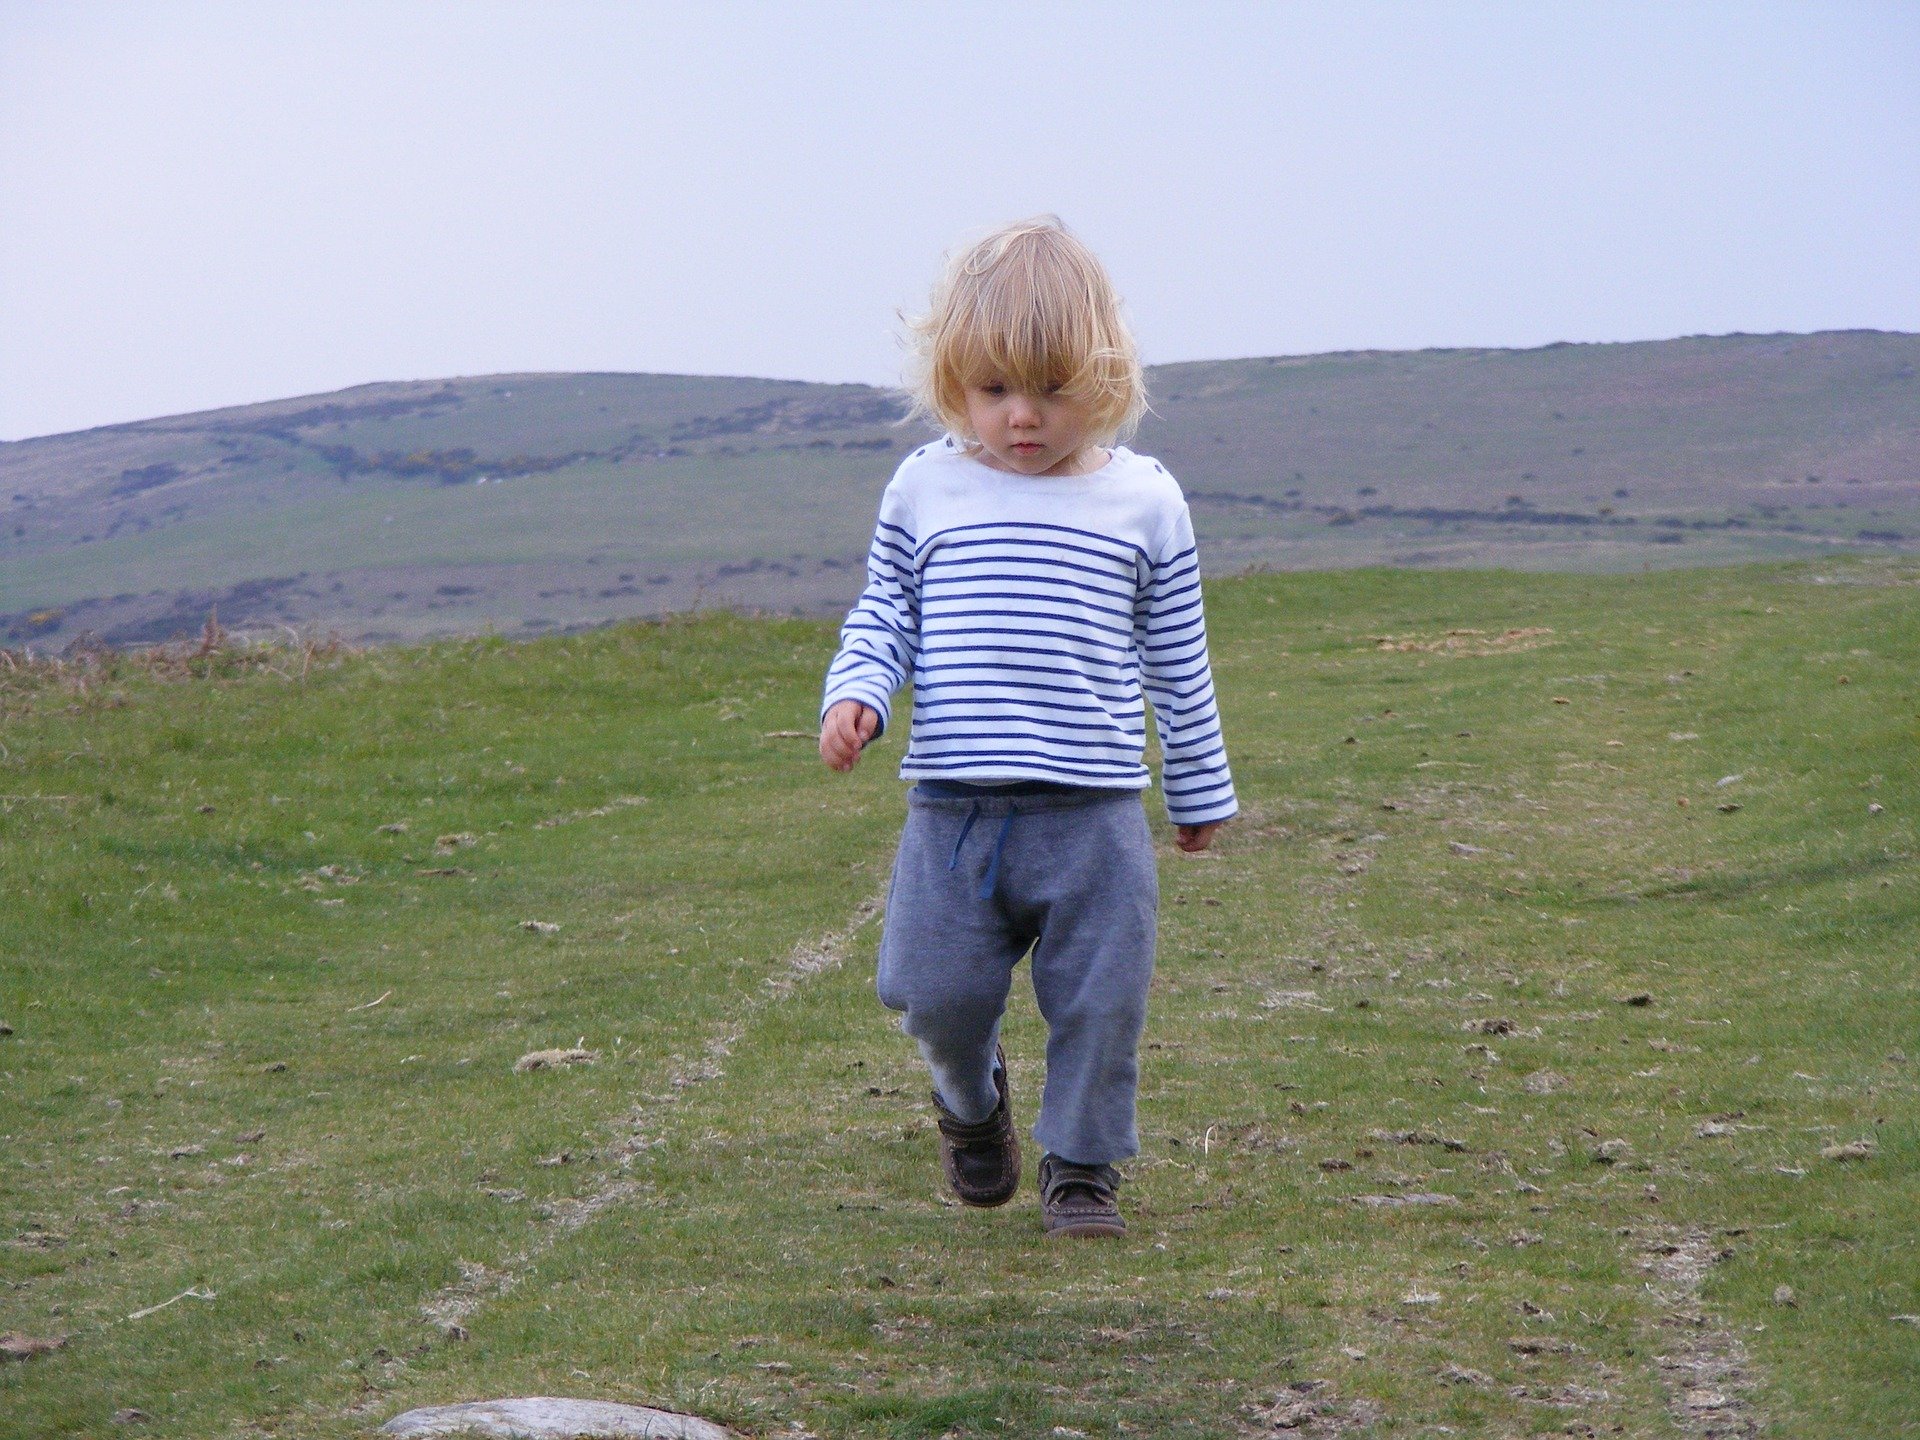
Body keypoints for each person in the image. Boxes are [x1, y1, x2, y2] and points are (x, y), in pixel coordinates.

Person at [818, 216, 1236, 1238]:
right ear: (952, 380)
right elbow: (887, 611)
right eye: (996, 390)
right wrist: (856, 693)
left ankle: (1084, 1167)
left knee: (1101, 1003)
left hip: (1094, 817)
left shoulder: (1144, 501)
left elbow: (1178, 659)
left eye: (1052, 392)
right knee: (927, 992)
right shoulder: (926, 487)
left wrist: (1198, 788)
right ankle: (972, 1106)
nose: (1022, 418)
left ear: (1103, 378)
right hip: (956, 812)